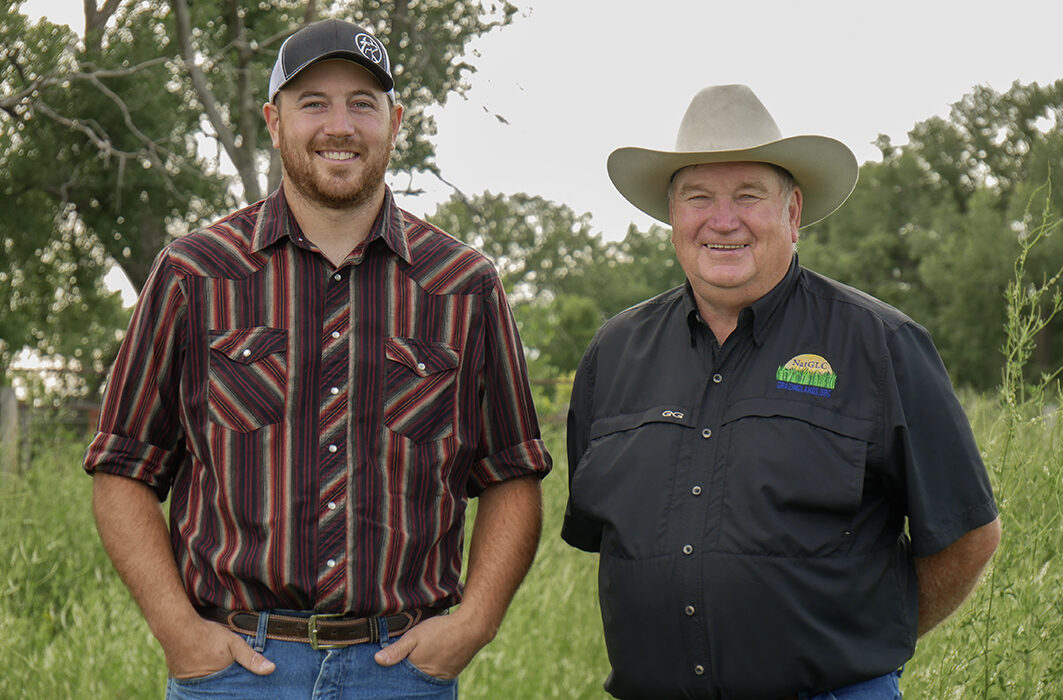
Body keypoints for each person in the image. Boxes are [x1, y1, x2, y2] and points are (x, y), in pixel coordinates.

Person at [84, 18, 551, 699]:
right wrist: (177, 632)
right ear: (274, 122)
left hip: (400, 672)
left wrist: (472, 624)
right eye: (313, 103)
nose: (340, 125)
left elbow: (512, 472)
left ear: (396, 122)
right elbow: (122, 465)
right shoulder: (194, 275)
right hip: (236, 672)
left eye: (362, 103)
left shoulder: (463, 285)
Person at [561, 84, 1001, 700]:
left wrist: (866, 641)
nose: (723, 220)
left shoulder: (881, 344)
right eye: (698, 197)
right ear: (672, 217)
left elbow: (968, 533)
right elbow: (602, 538)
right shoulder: (613, 355)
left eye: (748, 196)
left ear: (792, 212)